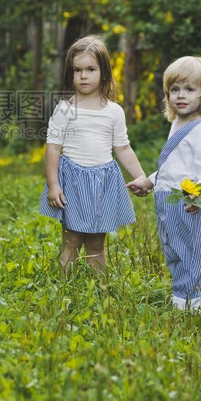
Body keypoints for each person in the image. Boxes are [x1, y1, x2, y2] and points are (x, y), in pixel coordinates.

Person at [39, 36, 150, 273]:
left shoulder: (114, 112)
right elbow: (53, 147)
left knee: (97, 243)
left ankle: (98, 287)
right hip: (73, 181)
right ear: (70, 73)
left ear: (104, 72)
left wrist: (141, 176)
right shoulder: (65, 109)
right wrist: (53, 185)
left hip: (102, 182)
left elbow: (122, 148)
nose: (83, 75)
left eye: (90, 69)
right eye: (77, 70)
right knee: (72, 239)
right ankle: (63, 287)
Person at [128, 56, 201, 311]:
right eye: (174, 89)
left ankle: (192, 303)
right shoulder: (179, 123)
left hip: (187, 200)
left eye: (189, 89)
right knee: (173, 248)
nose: (181, 95)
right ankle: (182, 295)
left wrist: (200, 196)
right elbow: (174, 167)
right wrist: (149, 181)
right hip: (168, 199)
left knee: (190, 251)